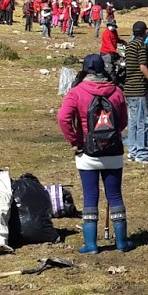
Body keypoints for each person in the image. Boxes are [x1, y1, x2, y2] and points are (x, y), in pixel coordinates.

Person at [58, 53, 131, 252]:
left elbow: (63, 118)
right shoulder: (116, 91)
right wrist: (111, 136)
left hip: (87, 153)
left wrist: (75, 141)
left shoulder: (76, 92)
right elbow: (123, 121)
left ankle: (91, 245)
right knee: (115, 195)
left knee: (90, 197)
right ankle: (122, 243)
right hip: (114, 152)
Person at [122, 21, 148, 163]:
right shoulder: (141, 45)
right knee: (142, 121)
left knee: (132, 121)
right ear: (144, 32)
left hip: (129, 88)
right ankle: (142, 154)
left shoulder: (129, 45)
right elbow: (143, 67)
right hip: (138, 89)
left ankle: (132, 151)